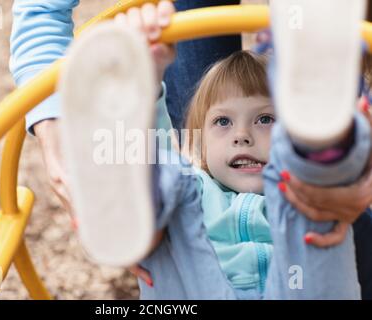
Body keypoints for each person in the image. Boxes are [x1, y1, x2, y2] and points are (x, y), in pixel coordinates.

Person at [58, 0, 370, 299]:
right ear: (199, 143)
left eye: (265, 119)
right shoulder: (196, 187)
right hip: (196, 287)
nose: (242, 135)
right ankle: (132, 164)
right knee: (172, 181)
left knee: (313, 195)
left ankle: (317, 132)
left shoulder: (294, 193)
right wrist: (148, 78)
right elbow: (168, 149)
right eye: (222, 121)